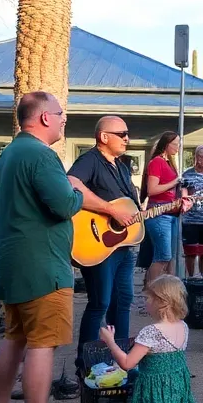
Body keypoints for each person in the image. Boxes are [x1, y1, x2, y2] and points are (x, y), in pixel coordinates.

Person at [0, 92, 90, 403]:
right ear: (45, 117)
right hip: (43, 268)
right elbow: (63, 205)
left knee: (14, 340)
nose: (64, 119)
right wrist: (76, 190)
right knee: (42, 347)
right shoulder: (42, 156)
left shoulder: (9, 154)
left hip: (13, 266)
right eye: (60, 113)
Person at [67, 116, 150, 354]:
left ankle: (120, 357)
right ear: (104, 137)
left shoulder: (122, 167)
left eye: (127, 134)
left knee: (123, 301)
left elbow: (130, 207)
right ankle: (85, 363)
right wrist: (110, 209)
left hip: (123, 244)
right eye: (121, 134)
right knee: (100, 303)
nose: (127, 138)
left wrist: (173, 206)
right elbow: (71, 183)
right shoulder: (90, 160)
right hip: (98, 244)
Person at [100, 274, 195, 403]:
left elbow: (127, 363)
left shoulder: (151, 332)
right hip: (175, 387)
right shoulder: (182, 326)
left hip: (155, 391)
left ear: (161, 302)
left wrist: (110, 341)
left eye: (148, 298)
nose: (145, 302)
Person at [142, 131, 186, 285]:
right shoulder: (156, 162)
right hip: (160, 214)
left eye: (179, 144)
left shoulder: (170, 163)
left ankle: (169, 292)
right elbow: (152, 190)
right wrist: (174, 182)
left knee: (172, 257)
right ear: (166, 145)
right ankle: (151, 292)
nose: (178, 147)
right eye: (175, 144)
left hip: (172, 214)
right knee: (163, 256)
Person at [180, 145, 203, 277]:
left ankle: (202, 275)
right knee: (190, 252)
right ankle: (191, 276)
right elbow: (182, 194)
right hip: (190, 220)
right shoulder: (187, 175)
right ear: (196, 157)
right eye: (201, 156)